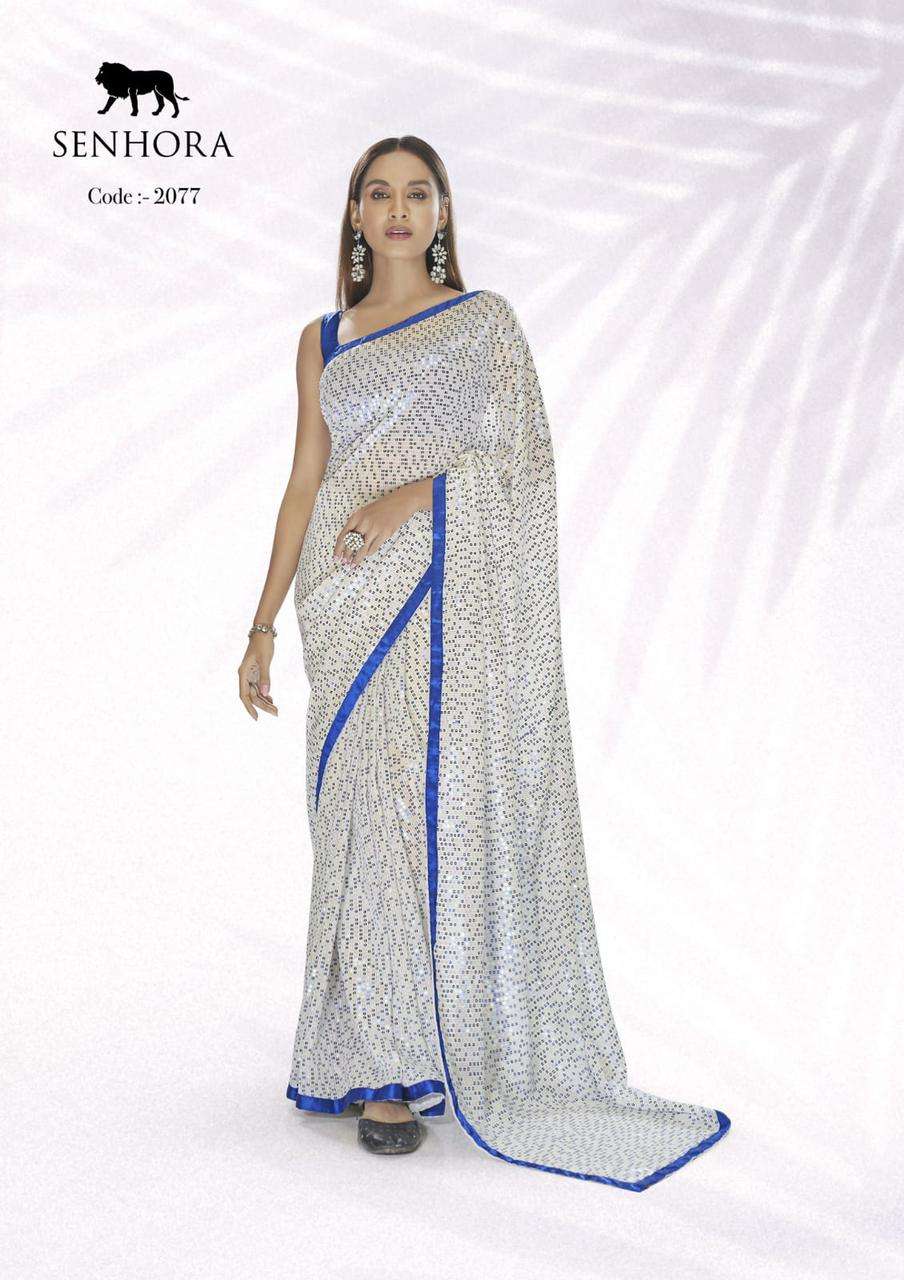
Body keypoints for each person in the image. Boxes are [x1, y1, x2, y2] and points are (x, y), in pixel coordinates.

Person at [238, 136, 731, 1186]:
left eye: (418, 193)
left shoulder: (483, 324)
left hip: (441, 599)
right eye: (379, 194)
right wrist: (263, 622)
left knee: (418, 817)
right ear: (356, 216)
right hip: (342, 604)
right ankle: (365, 1045)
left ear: (444, 211)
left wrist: (411, 496)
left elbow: (522, 462)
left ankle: (403, 1065)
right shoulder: (320, 341)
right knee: (356, 822)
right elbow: (303, 481)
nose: (399, 209)